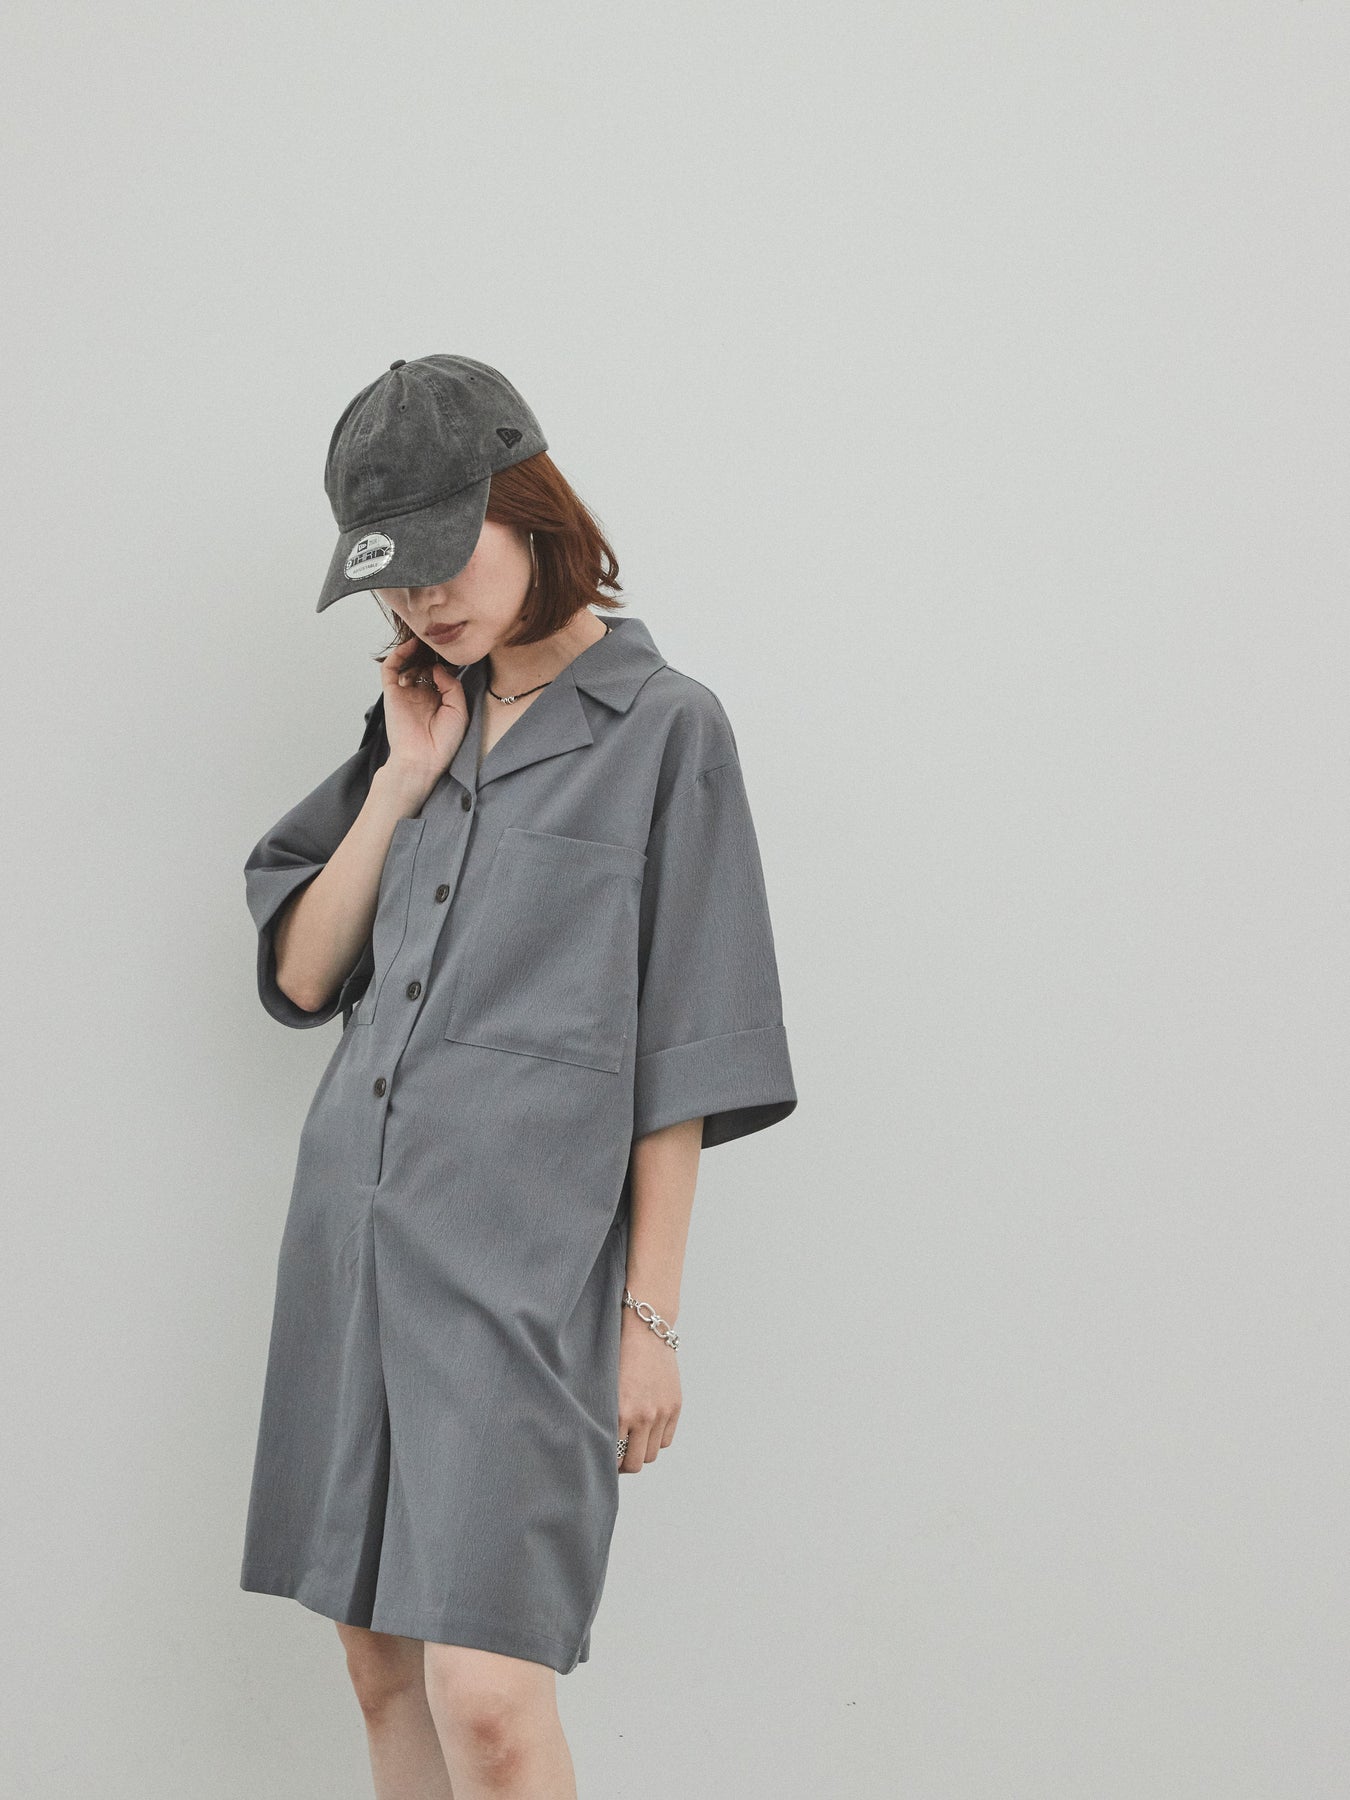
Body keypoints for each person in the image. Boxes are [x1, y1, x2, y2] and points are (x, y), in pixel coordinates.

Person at [239, 353, 798, 1798]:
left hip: (523, 1274)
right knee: (379, 1664)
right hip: (358, 1238)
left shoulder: (665, 727)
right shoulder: (419, 714)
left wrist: (648, 1320)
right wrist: (401, 779)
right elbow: (303, 974)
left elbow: (687, 1048)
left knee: (487, 1694)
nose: (425, 603)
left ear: (529, 508)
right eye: (394, 581)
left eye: (445, 557)